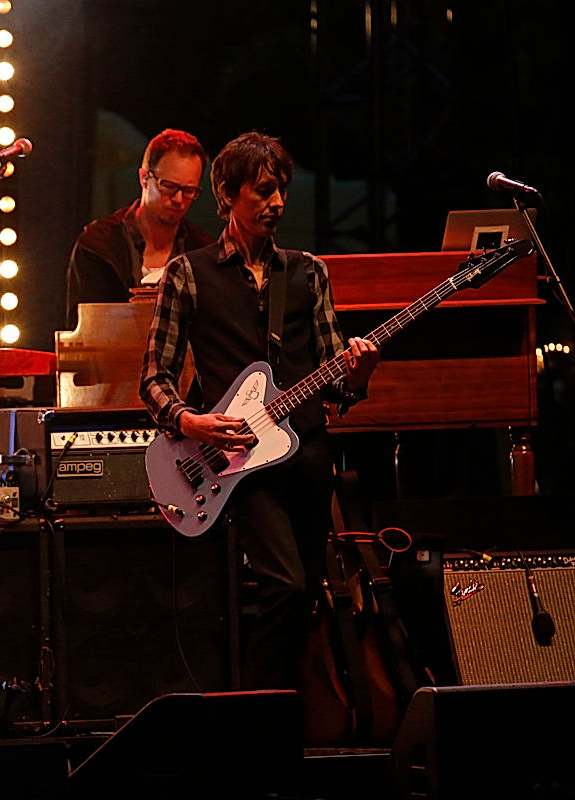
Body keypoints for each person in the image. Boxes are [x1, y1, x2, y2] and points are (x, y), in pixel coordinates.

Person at [140, 132, 380, 690]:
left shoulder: (309, 272)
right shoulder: (188, 274)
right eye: (263, 191)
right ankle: (251, 716)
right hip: (239, 463)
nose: (277, 203)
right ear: (227, 194)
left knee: (309, 593)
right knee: (286, 586)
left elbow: (335, 384)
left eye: (282, 191)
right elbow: (153, 378)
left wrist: (359, 375)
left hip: (309, 455)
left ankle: (282, 713)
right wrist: (190, 421)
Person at [65, 128, 216, 329]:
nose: (178, 199)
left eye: (189, 190)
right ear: (144, 178)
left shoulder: (202, 253)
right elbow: (83, 331)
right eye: (168, 186)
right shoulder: (98, 246)